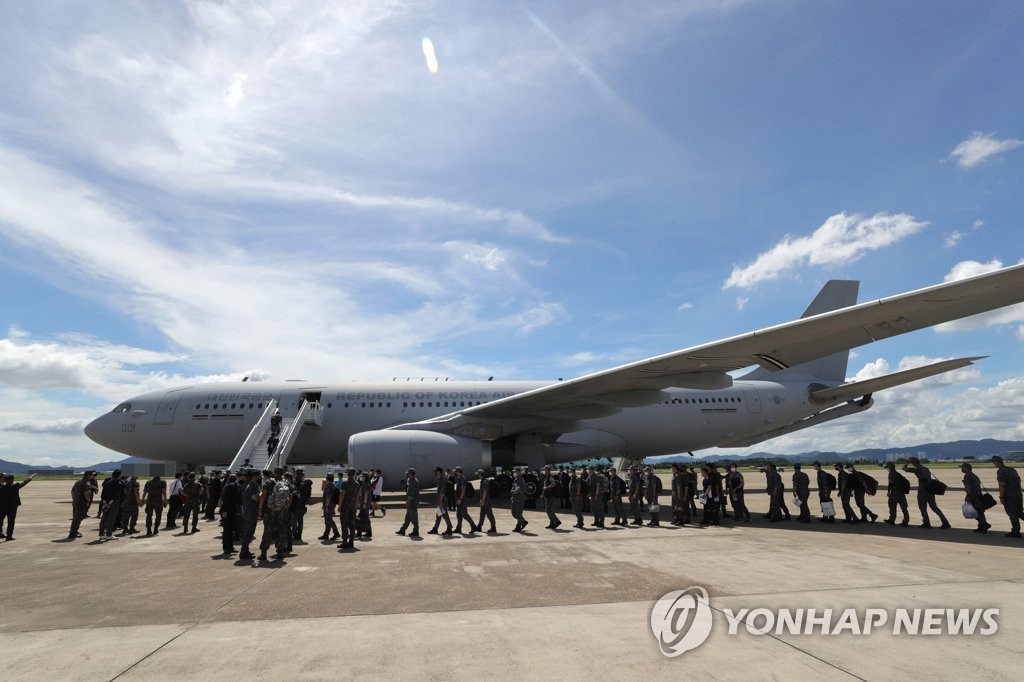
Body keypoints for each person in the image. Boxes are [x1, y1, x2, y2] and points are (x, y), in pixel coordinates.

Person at [903, 457, 951, 529]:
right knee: (934, 507)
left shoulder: (916, 469)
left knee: (923, 508)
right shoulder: (926, 468)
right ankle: (945, 522)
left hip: (923, 491)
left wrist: (907, 462)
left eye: (912, 462)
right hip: (930, 490)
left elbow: (904, 469)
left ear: (913, 463)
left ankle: (926, 522)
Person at [257, 467, 293, 562]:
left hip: (269, 511)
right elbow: (290, 497)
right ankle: (280, 553)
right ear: (282, 473)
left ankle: (263, 554)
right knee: (281, 531)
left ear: (274, 472)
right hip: (281, 511)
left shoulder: (268, 482)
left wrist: (260, 508)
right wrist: (286, 507)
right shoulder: (287, 483)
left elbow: (263, 495)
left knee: (267, 531)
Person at [992, 455, 1024, 538]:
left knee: (1012, 514)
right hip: (1018, 494)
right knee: (1019, 512)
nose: (993, 463)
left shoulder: (1001, 471)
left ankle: (1016, 532)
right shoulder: (1012, 469)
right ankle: (1015, 530)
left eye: (993, 462)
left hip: (1010, 497)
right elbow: (1018, 481)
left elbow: (1002, 485)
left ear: (996, 462)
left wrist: (1001, 497)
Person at [0, 473, 35, 541]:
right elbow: (24, 483)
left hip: (2, 507)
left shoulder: (1, 488)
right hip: (12, 508)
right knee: (11, 522)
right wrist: (31, 477)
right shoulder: (15, 486)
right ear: (12, 480)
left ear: (5, 480)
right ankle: (9, 537)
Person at [961, 462, 991, 533]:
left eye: (962, 468)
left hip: (973, 496)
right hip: (978, 495)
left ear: (966, 468)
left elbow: (969, 487)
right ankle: (982, 526)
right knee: (980, 511)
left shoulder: (967, 476)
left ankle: (984, 525)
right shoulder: (974, 475)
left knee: (975, 512)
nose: (962, 469)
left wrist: (968, 495)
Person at [68, 470, 96, 540]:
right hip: (81, 503)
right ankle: (73, 533)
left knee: (75, 517)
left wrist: (74, 499)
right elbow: (87, 493)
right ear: (89, 475)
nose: (92, 476)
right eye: (92, 475)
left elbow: (72, 491)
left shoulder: (78, 482)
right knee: (78, 518)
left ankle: (74, 531)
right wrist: (88, 500)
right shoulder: (87, 483)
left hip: (75, 502)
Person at [239, 470, 261, 561]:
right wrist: (262, 495)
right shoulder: (252, 486)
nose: (259, 477)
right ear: (253, 476)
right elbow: (255, 498)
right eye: (258, 476)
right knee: (248, 532)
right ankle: (243, 552)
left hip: (250, 511)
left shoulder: (252, 485)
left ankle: (245, 550)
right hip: (250, 512)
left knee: (249, 532)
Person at [219, 473, 242, 555]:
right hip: (226, 511)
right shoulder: (230, 486)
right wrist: (225, 511)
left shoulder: (237, 486)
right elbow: (225, 499)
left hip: (232, 510)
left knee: (231, 530)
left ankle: (231, 547)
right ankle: (226, 548)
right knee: (227, 530)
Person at [98, 469, 125, 540]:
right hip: (113, 502)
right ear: (119, 475)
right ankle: (109, 534)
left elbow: (102, 495)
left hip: (105, 502)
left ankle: (101, 534)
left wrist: (105, 503)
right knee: (111, 518)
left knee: (104, 518)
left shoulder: (107, 483)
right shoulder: (119, 483)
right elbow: (116, 495)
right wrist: (109, 504)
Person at [337, 468, 360, 548]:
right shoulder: (357, 484)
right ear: (354, 475)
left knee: (344, 524)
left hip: (345, 507)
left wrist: (339, 506)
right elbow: (357, 497)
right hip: (353, 507)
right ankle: (351, 542)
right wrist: (356, 506)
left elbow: (342, 494)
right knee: (352, 524)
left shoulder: (345, 483)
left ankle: (344, 542)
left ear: (348, 474)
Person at [428, 466, 454, 536]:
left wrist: (440, 502)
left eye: (436, 471)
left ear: (439, 472)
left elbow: (442, 492)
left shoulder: (442, 480)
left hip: (442, 500)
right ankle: (435, 528)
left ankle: (449, 528)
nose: (435, 473)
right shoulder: (440, 479)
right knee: (438, 514)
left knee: (445, 514)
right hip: (441, 499)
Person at [882, 462, 910, 527]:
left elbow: (890, 484)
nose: (887, 469)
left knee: (892, 506)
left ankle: (892, 520)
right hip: (901, 493)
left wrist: (888, 491)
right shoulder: (898, 474)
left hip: (895, 493)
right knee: (904, 508)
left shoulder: (891, 474)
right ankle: (906, 521)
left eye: (887, 467)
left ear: (890, 467)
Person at [396, 468, 420, 537]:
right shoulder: (412, 480)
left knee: (414, 518)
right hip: (412, 502)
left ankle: (416, 531)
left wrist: (407, 503)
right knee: (407, 518)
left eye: (408, 473)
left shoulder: (413, 481)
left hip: (412, 503)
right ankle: (402, 530)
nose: (407, 474)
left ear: (411, 474)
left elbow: (410, 495)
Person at [453, 467, 478, 533]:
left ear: (459, 472)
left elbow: (463, 489)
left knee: (464, 514)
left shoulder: (463, 479)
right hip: (459, 499)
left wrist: (460, 499)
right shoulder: (458, 479)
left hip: (462, 500)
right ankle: (458, 528)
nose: (455, 472)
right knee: (459, 514)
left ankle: (473, 526)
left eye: (456, 471)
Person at [319, 473, 340, 542]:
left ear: (327, 479)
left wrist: (326, 506)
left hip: (329, 505)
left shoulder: (329, 486)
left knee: (329, 520)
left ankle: (336, 533)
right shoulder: (332, 485)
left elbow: (328, 497)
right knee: (327, 520)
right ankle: (326, 534)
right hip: (331, 505)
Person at [356, 471, 373, 540]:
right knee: (361, 517)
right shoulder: (364, 484)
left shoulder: (366, 485)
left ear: (365, 477)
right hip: (363, 504)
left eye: (362, 477)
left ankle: (368, 532)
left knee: (365, 518)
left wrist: (364, 504)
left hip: (365, 504)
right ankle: (359, 532)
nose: (361, 478)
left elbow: (366, 495)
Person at [510, 468, 528, 532]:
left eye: (515, 472)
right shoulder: (516, 479)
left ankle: (518, 527)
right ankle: (523, 521)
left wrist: (516, 491)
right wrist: (513, 493)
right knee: (514, 513)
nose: (514, 473)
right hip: (514, 498)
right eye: (514, 472)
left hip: (519, 499)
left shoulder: (521, 480)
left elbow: (522, 490)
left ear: (519, 472)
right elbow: (512, 489)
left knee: (519, 513)